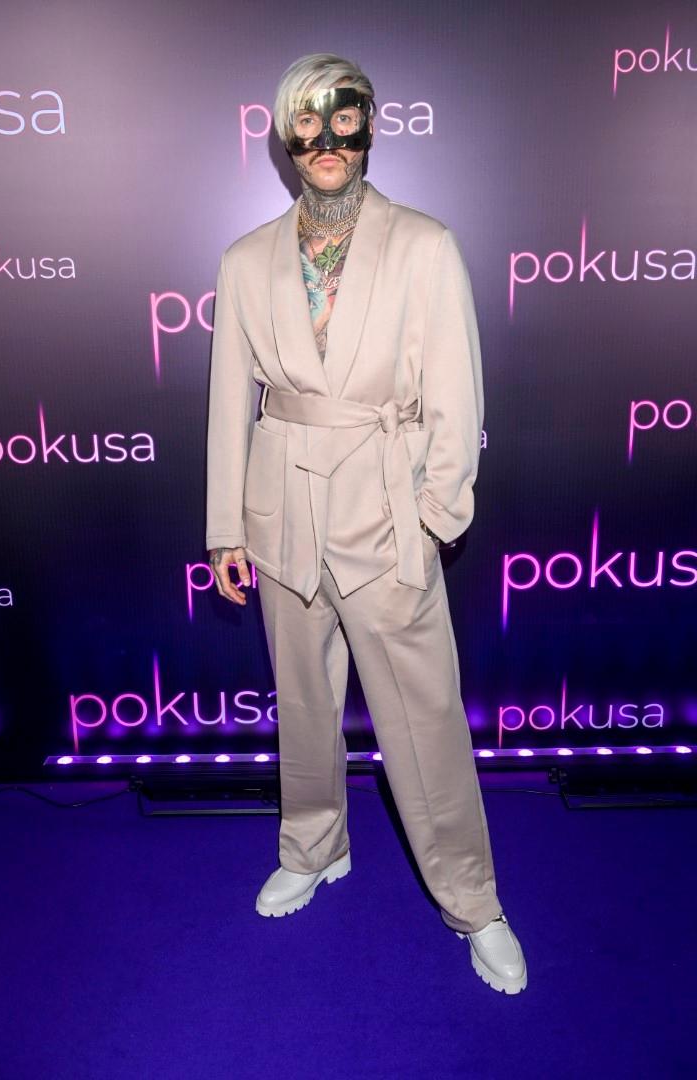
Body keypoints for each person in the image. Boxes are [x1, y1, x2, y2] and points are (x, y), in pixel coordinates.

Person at [206, 52, 527, 995]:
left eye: (343, 120)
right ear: (286, 139)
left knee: (425, 723)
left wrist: (434, 519)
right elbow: (230, 403)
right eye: (307, 124)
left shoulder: (425, 245)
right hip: (281, 516)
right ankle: (314, 846)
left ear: (369, 126)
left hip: (388, 518)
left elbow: (456, 397)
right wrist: (227, 526)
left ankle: (474, 901)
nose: (327, 141)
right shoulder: (244, 260)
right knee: (304, 707)